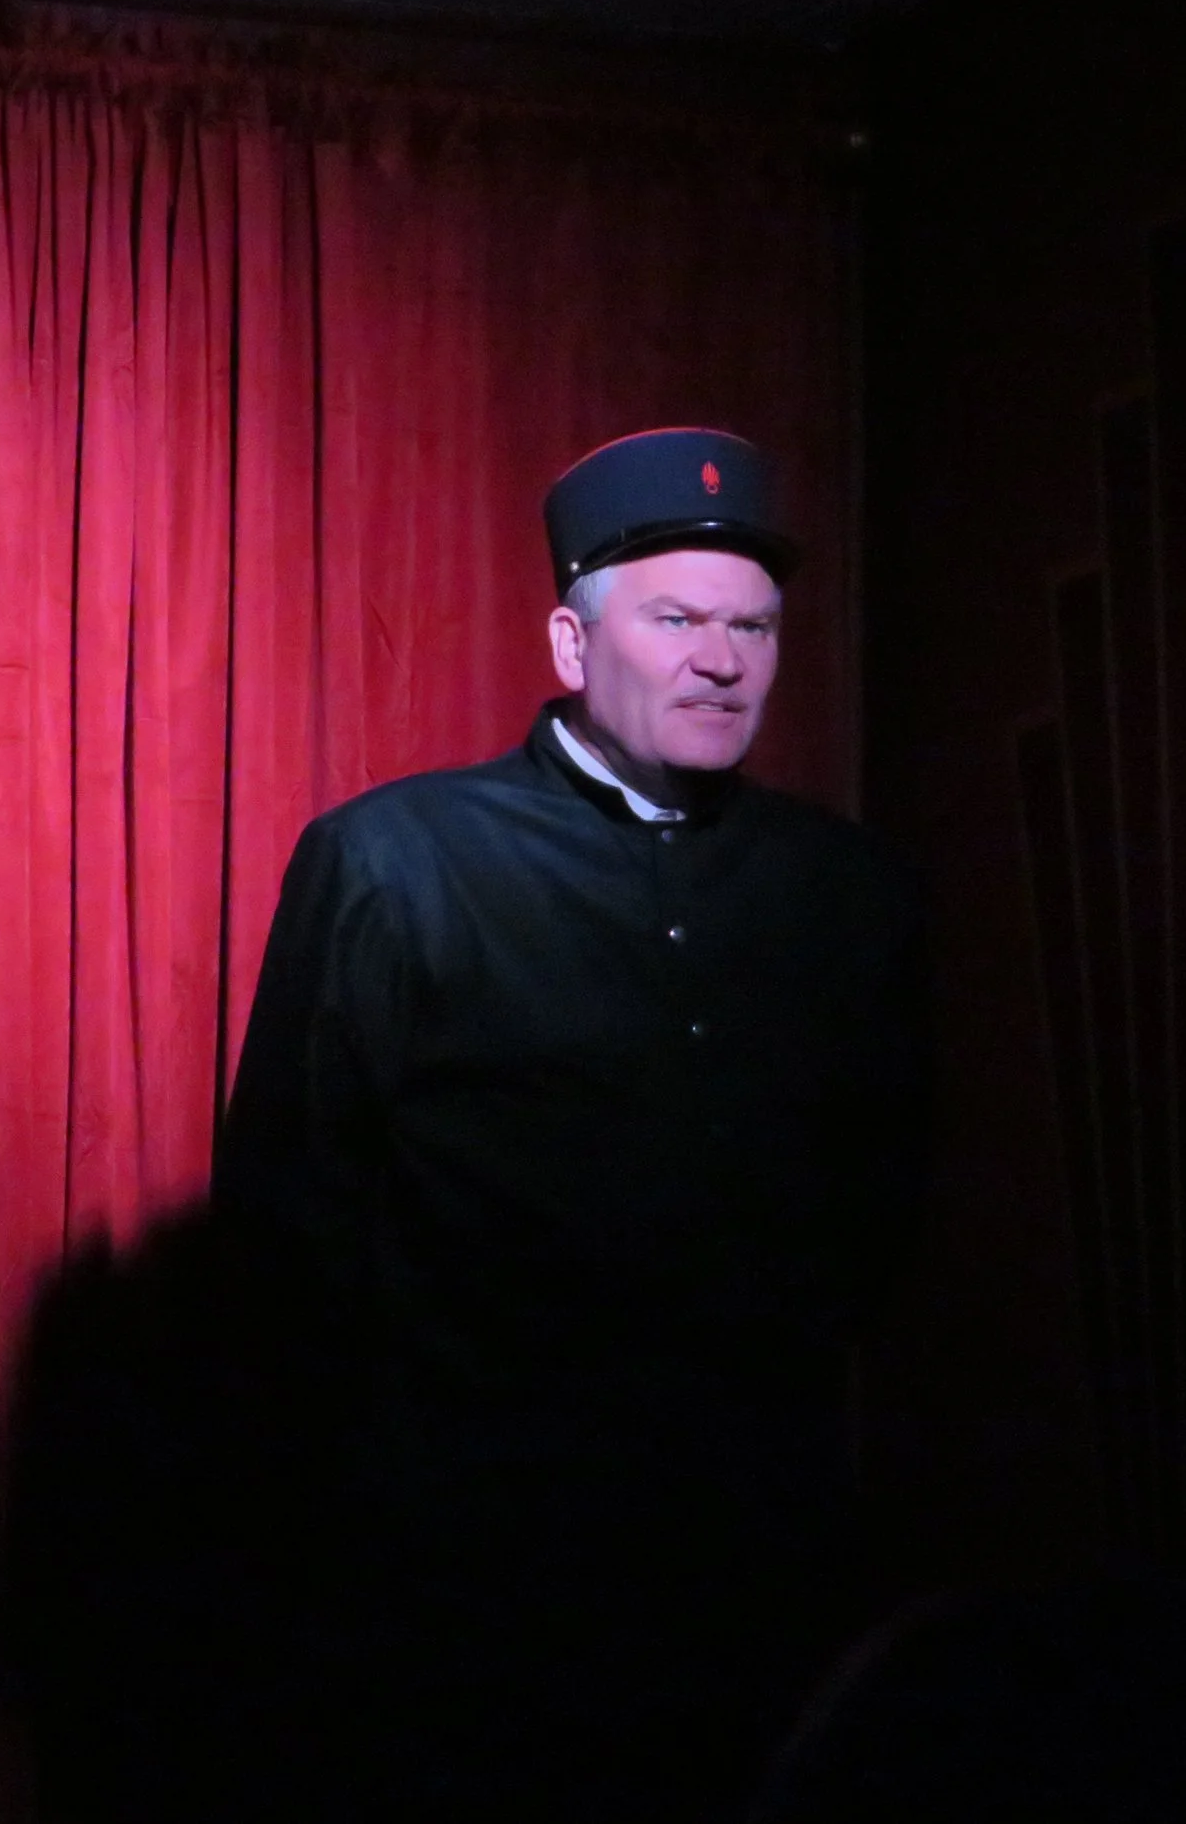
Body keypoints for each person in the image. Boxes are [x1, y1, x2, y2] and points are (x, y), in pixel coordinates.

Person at [207, 427, 929, 1821]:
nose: (723, 659)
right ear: (572, 639)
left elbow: (885, 1203)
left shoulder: (851, 893)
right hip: (465, 1588)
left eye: (754, 626)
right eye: (675, 619)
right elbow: (287, 1226)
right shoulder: (396, 860)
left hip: (754, 1581)